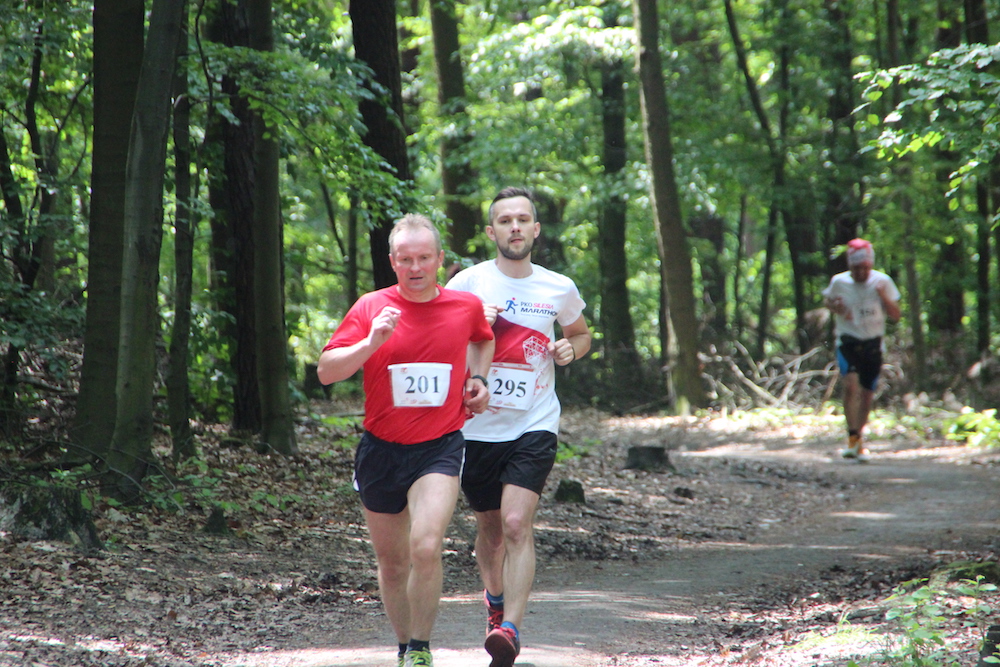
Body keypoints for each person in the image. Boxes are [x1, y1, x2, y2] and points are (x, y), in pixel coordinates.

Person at [316, 213, 495, 667]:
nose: (416, 268)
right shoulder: (370, 307)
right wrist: (371, 342)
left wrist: (478, 379)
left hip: (440, 447)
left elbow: (482, 339)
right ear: (393, 261)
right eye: (406, 259)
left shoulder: (464, 307)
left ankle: (419, 649)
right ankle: (402, 648)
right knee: (393, 564)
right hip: (380, 450)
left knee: (426, 545)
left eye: (424, 258)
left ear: (439, 259)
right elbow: (327, 372)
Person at [446, 187, 592, 667]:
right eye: (505, 220)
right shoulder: (467, 283)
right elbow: (440, 341)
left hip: (535, 422)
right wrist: (471, 323)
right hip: (477, 428)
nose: (515, 227)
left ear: (535, 229)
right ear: (492, 231)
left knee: (515, 523)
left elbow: (580, 334)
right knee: (490, 532)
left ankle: (510, 628)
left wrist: (572, 349)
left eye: (523, 219)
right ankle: (495, 601)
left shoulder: (558, 287)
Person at [822, 238, 901, 462]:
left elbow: (896, 315)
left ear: (871, 265)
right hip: (847, 341)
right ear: (850, 266)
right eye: (856, 268)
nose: (861, 273)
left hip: (873, 344)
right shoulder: (839, 281)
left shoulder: (882, 281)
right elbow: (827, 301)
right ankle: (852, 438)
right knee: (850, 386)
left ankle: (859, 440)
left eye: (865, 268)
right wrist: (835, 307)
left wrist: (882, 296)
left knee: (866, 395)